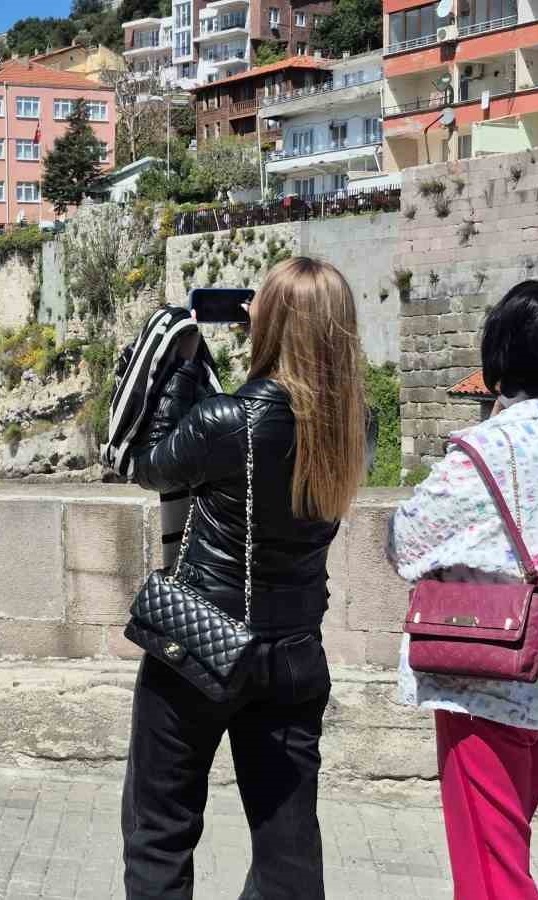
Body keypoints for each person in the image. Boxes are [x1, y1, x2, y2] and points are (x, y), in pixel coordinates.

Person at [123, 257, 370, 899]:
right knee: (289, 843)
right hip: (294, 654)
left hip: (202, 646)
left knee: (160, 827)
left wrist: (183, 371)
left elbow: (148, 465)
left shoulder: (228, 422)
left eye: (260, 304)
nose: (250, 310)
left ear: (274, 323)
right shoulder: (355, 429)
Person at [388, 281, 538, 900]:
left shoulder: (490, 448)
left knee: (492, 882)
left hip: (488, 685)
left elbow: (405, 543)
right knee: (505, 856)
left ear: (504, 350)